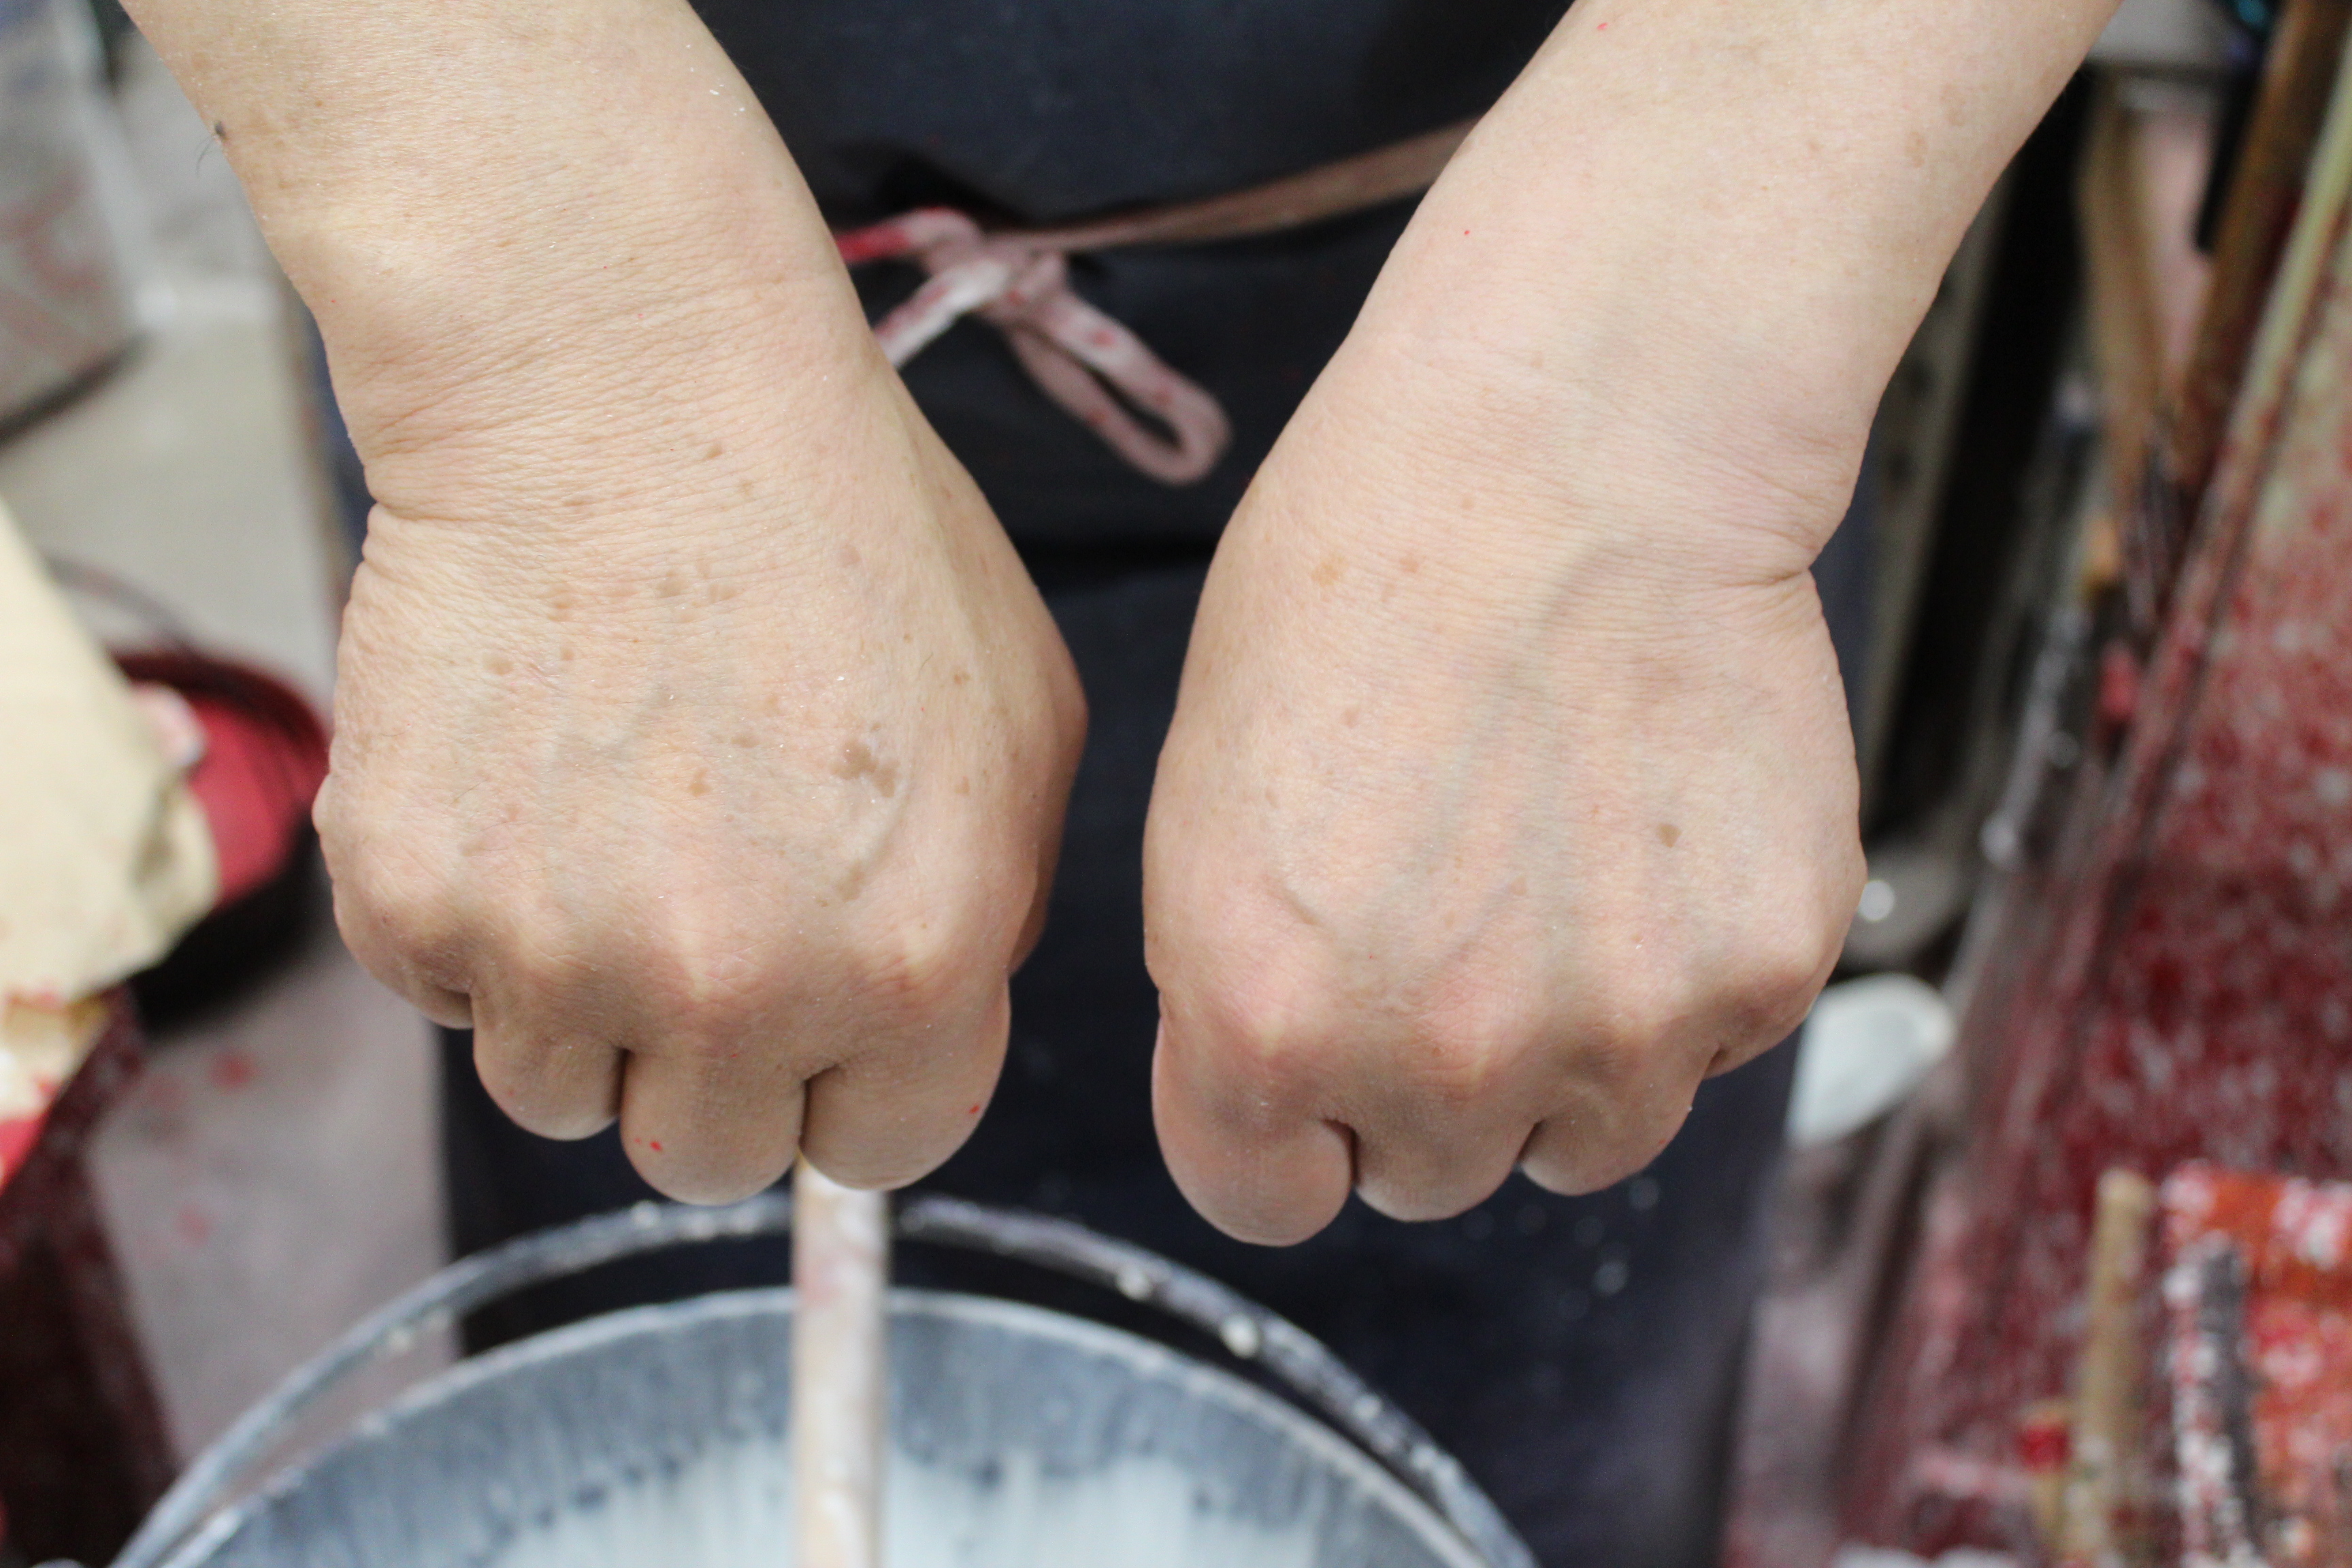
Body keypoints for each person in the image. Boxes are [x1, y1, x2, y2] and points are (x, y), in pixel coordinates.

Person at [117, 1, 2120, 1561]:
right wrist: (555, 332)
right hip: (547, 305)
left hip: (1591, 338)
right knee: (655, 1340)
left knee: (1509, 1418)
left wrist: (1649, 399)